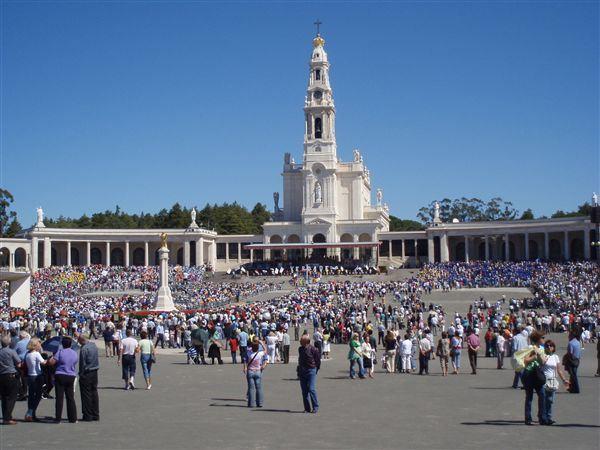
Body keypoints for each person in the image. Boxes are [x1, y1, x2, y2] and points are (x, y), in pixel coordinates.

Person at [50, 337, 79, 423]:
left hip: (60, 374)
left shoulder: (60, 352)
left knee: (59, 397)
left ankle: (58, 418)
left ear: (62, 344)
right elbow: (74, 362)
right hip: (71, 375)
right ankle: (73, 418)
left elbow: (52, 362)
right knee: (70, 397)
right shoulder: (74, 353)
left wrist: (52, 357)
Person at [541, 339, 569, 425]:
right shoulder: (543, 355)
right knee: (543, 400)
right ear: (544, 347)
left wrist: (564, 380)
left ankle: (548, 417)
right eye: (547, 346)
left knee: (550, 400)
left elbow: (559, 370)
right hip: (543, 380)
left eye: (551, 346)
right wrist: (543, 360)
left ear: (553, 347)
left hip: (552, 381)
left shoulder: (556, 357)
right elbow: (539, 366)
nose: (549, 347)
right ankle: (543, 418)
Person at [522, 331, 547, 425]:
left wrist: (540, 355)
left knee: (542, 395)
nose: (544, 339)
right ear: (538, 339)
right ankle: (528, 418)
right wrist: (534, 356)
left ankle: (542, 417)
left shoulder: (542, 348)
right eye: (542, 337)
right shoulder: (530, 348)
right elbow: (525, 360)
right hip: (529, 373)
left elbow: (543, 362)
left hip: (538, 374)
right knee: (529, 397)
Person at [24, 337, 47, 421]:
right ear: (35, 345)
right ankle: (30, 412)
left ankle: (31, 413)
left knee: (31, 395)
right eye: (39, 343)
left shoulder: (27, 353)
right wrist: (49, 359)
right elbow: (43, 363)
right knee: (37, 395)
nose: (40, 345)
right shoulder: (36, 353)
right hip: (37, 376)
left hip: (30, 375)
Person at [78, 334, 100, 421]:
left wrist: (81, 374)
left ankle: (88, 415)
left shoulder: (84, 349)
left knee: (86, 394)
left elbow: (82, 363)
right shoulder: (93, 345)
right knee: (94, 392)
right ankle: (96, 414)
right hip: (94, 371)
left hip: (87, 372)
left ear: (82, 340)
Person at [0, 335, 21, 425]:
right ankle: (7, 418)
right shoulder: (11, 351)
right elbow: (19, 363)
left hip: (2, 375)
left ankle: (6, 416)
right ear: (9, 343)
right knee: (12, 397)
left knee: (4, 397)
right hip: (11, 375)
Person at [298, 335, 320, 413]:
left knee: (311, 389)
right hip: (302, 371)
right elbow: (300, 360)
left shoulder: (314, 349)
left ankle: (315, 407)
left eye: (301, 341)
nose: (300, 342)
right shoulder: (300, 349)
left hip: (311, 370)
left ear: (306, 342)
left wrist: (316, 369)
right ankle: (307, 408)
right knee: (304, 391)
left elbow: (317, 361)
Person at [243, 339, 267, 408]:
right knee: (259, 388)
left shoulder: (249, 353)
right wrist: (262, 343)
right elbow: (265, 350)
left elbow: (245, 360)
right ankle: (259, 403)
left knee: (251, 388)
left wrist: (244, 367)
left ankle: (251, 403)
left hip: (250, 371)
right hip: (258, 371)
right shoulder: (260, 353)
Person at [565, 329, 581, 394]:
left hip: (571, 360)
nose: (568, 337)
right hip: (577, 360)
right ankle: (571, 388)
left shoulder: (570, 343)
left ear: (571, 336)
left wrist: (566, 360)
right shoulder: (578, 342)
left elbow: (570, 353)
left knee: (573, 375)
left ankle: (576, 389)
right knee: (573, 375)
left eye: (569, 335)